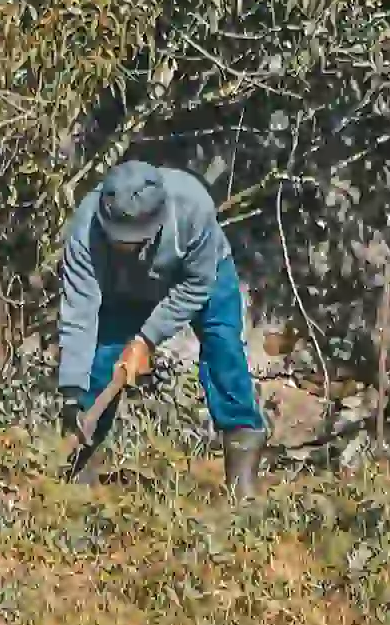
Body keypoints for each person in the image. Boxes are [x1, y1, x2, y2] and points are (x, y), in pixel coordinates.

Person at [57, 160, 270, 495]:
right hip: (125, 289)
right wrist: (72, 390)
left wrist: (146, 339)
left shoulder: (192, 206)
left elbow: (198, 286)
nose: (123, 245)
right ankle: (83, 465)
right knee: (101, 363)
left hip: (202, 276)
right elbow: (79, 311)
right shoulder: (84, 232)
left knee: (223, 349)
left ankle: (242, 465)